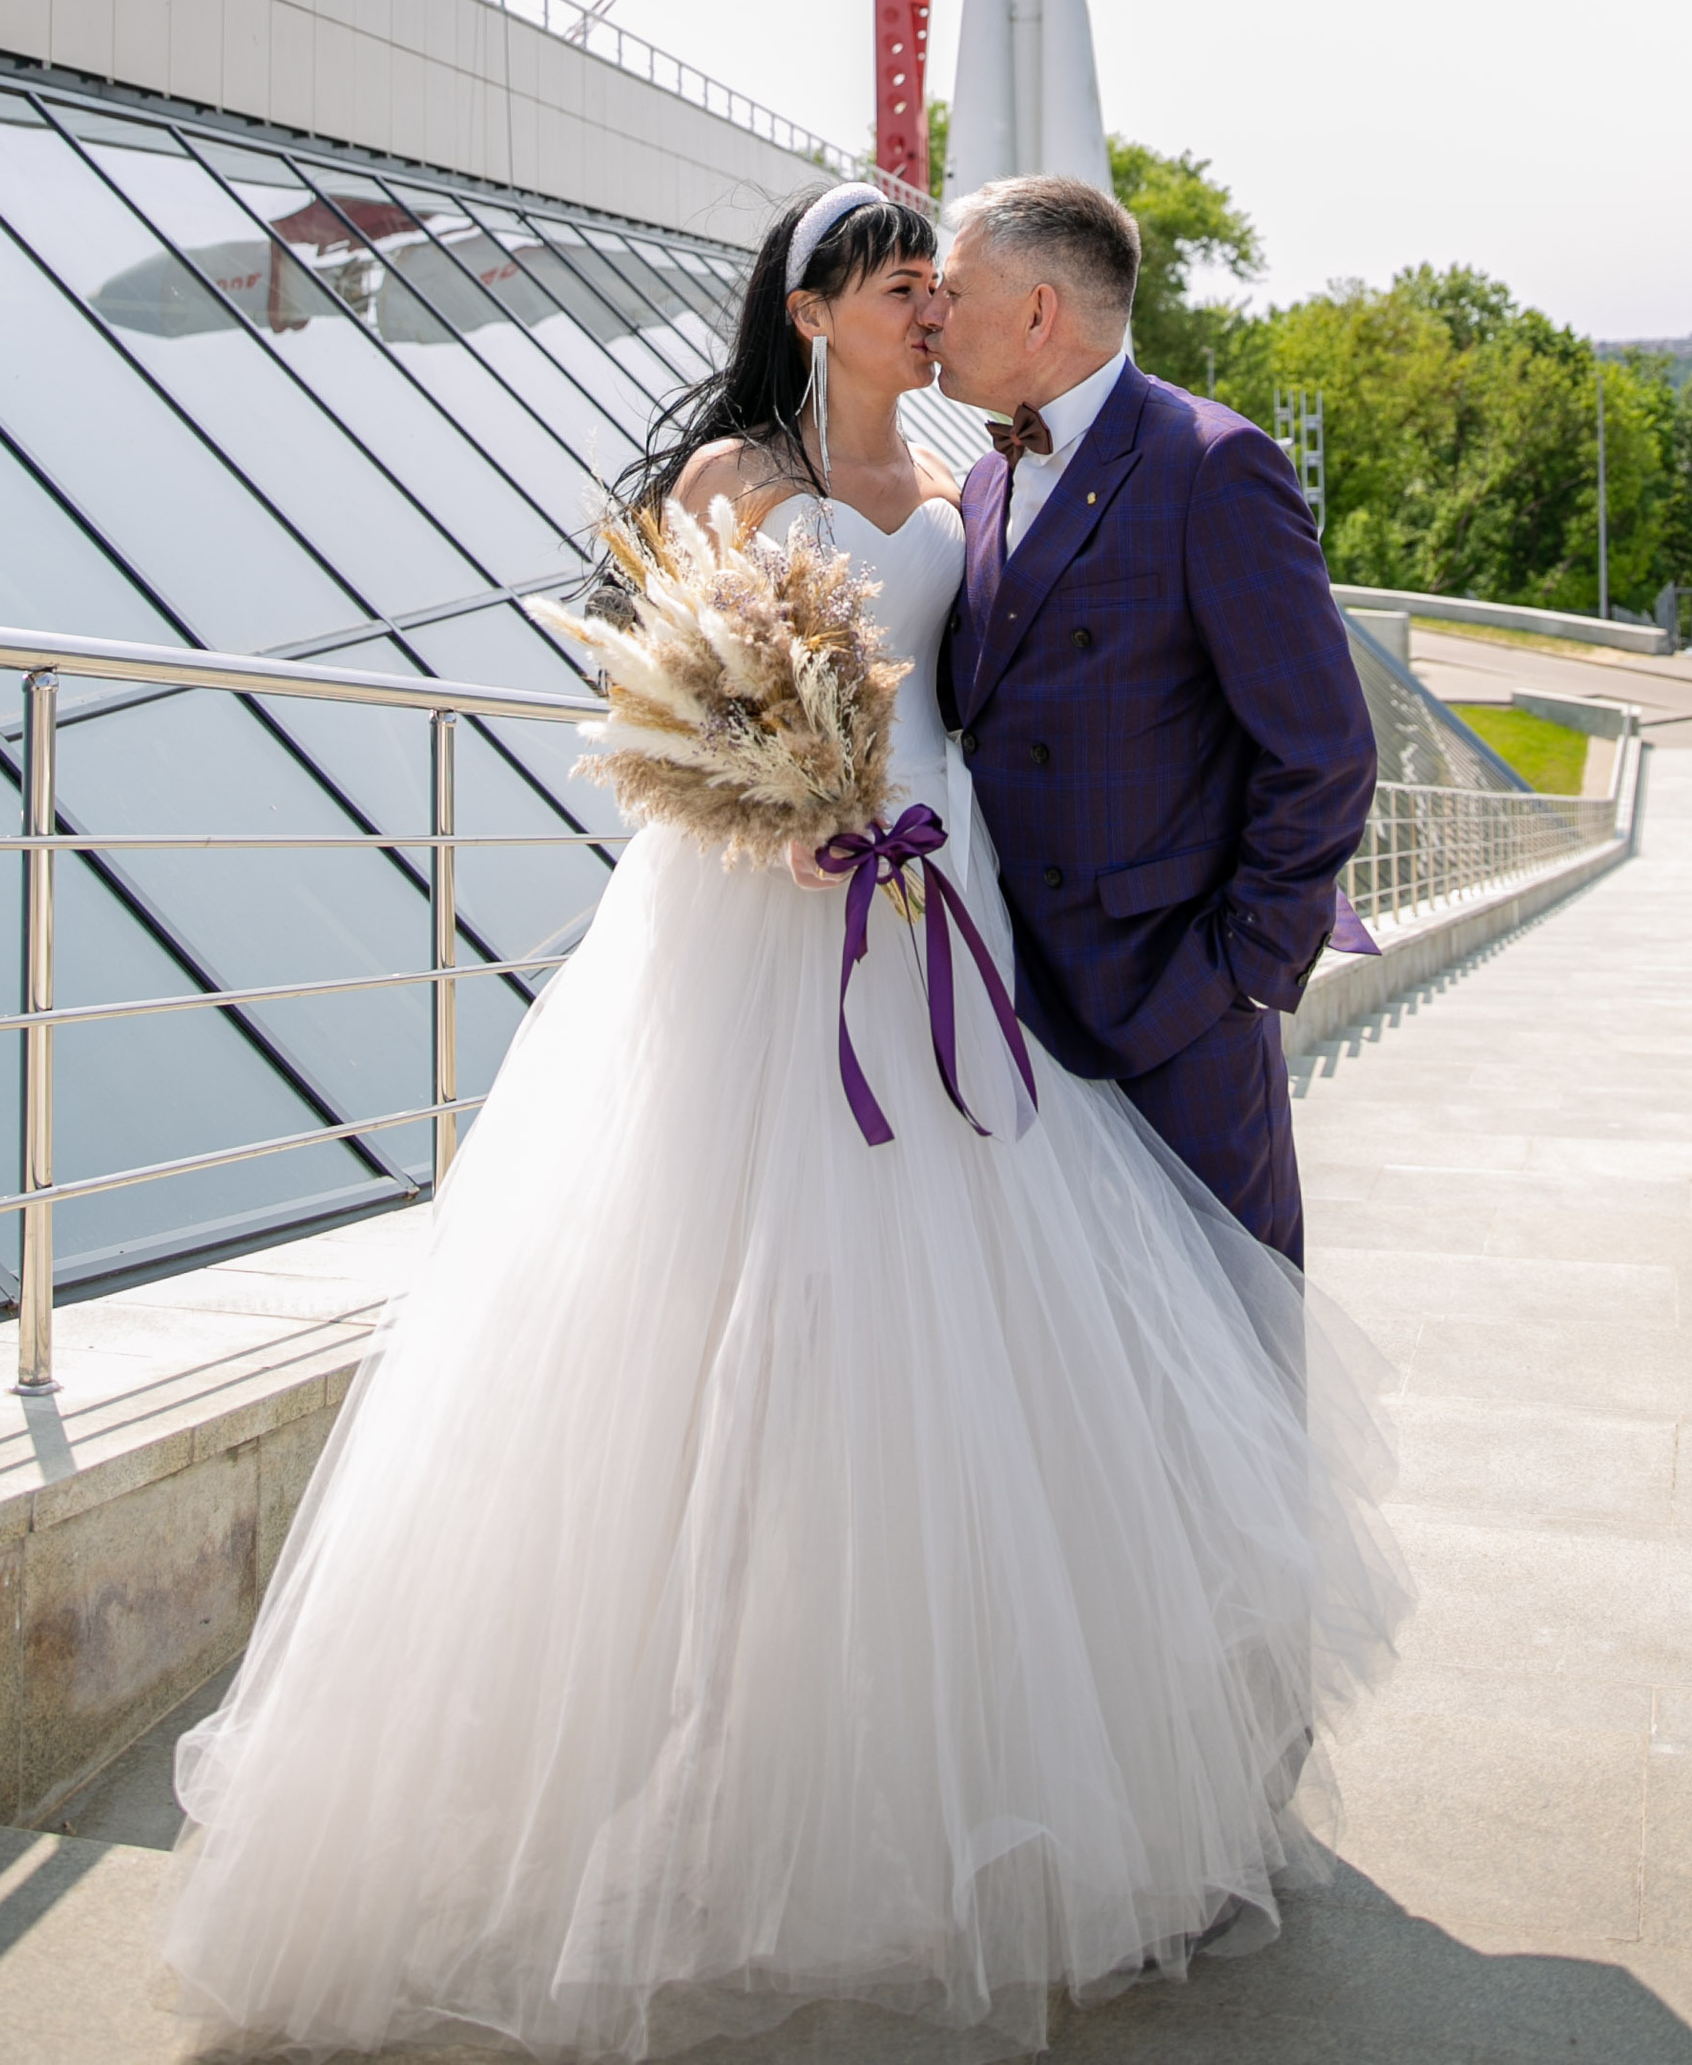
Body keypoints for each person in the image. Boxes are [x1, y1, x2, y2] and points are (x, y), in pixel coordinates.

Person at [160, 181, 1400, 2062]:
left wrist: (1235, 957)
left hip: (958, 916)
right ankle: (695, 1769)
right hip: (768, 929)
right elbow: (676, 710)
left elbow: (1194, 720)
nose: (932, 317)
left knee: (972, 1353)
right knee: (709, 1320)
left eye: (949, 291)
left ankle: (991, 1746)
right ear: (817, 310)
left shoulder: (975, 477)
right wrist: (781, 792)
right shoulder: (747, 481)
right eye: (907, 292)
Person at [924, 176, 1377, 1266]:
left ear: (1038, 312)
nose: (929, 314)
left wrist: (1232, 979)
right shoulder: (985, 480)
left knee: (1225, 1363)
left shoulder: (1210, 466)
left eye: (949, 290)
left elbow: (1324, 755)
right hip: (1012, 1015)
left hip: (1174, 1021)